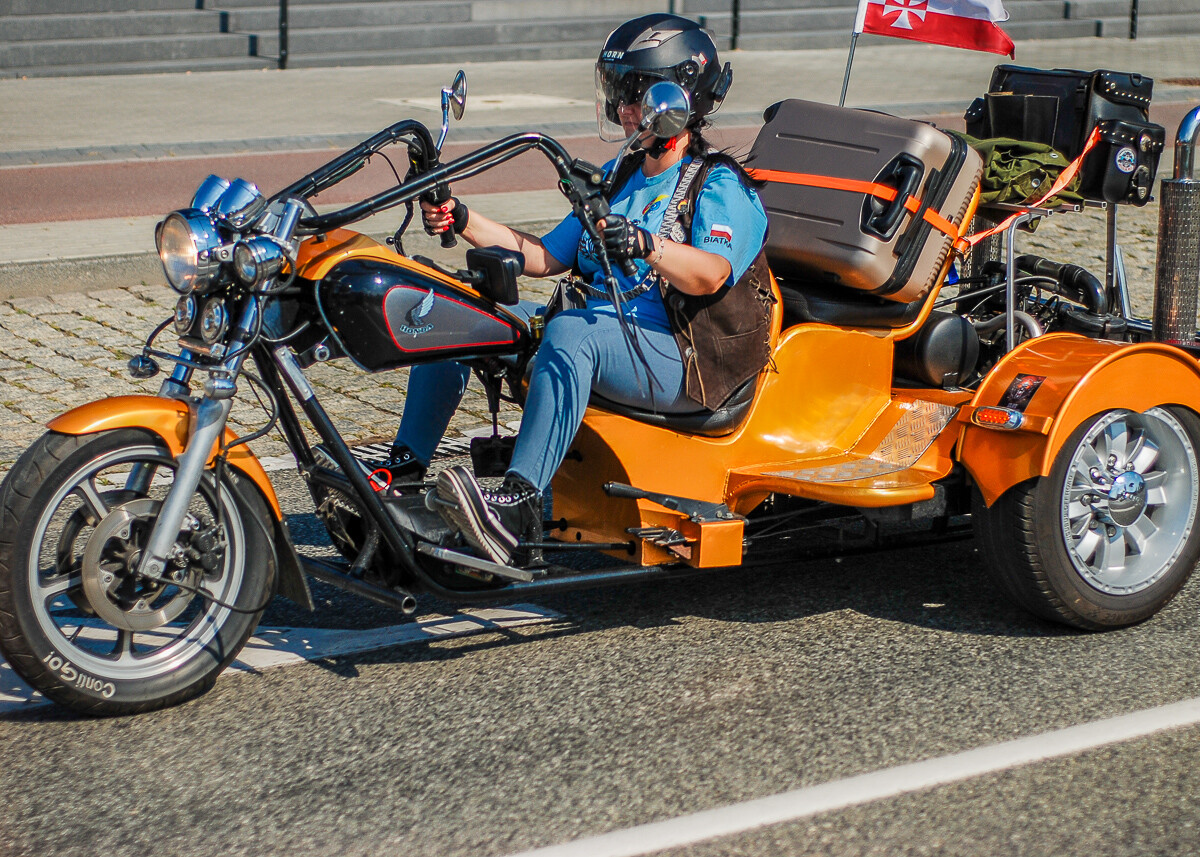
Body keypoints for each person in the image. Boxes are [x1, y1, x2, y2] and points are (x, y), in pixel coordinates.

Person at [379, 13, 774, 565]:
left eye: (633, 96)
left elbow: (710, 272)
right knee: (462, 310)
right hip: (614, 341)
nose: (621, 110)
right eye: (618, 95)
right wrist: (461, 216)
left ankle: (516, 506)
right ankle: (400, 478)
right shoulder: (623, 173)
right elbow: (546, 256)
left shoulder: (717, 183)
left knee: (570, 331)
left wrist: (646, 245)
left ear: (675, 99)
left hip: (685, 362)